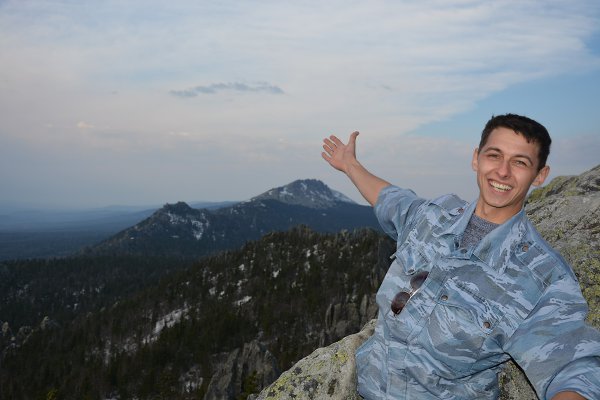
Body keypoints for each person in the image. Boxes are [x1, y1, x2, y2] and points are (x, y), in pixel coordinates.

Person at [321, 114, 600, 400]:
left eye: (519, 162)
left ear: (540, 175)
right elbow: (392, 200)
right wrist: (350, 165)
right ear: (476, 159)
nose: (503, 171)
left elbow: (573, 369)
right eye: (494, 155)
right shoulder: (433, 217)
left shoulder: (540, 278)